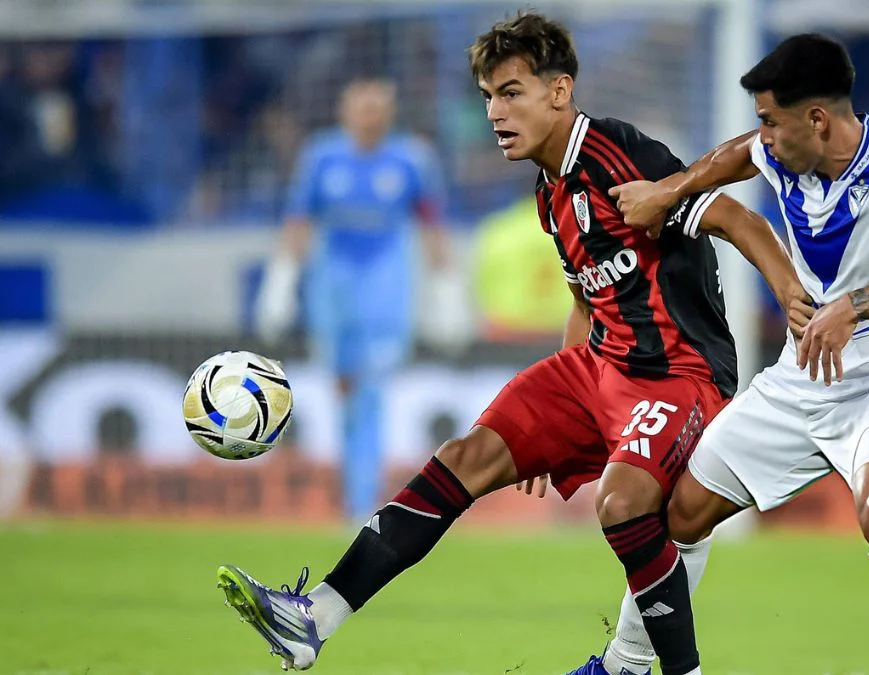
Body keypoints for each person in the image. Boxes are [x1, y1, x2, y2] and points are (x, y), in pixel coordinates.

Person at [219, 13, 811, 674]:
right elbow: (586, 297)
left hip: (679, 373)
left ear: (558, 92)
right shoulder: (548, 191)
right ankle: (315, 617)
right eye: (487, 97)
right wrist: (553, 424)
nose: (495, 112)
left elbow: (734, 214)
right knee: (465, 454)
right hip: (597, 367)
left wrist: (790, 295)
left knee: (622, 505)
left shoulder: (617, 154)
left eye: (510, 92)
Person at [559, 34, 869, 675]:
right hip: (797, 382)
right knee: (681, 515)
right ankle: (627, 665)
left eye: (771, 120)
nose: (764, 135)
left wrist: (855, 306)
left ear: (817, 119)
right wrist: (670, 189)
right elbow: (737, 157)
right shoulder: (784, 150)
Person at [255, 77, 449, 523]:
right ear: (345, 111)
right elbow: (299, 221)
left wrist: (445, 289)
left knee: (374, 391)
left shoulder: (412, 159)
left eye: (377, 108)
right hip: (333, 290)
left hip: (386, 288)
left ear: (389, 112)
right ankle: (350, 496)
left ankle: (365, 501)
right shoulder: (321, 157)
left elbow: (433, 224)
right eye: (361, 108)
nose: (369, 117)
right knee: (343, 391)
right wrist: (281, 280)